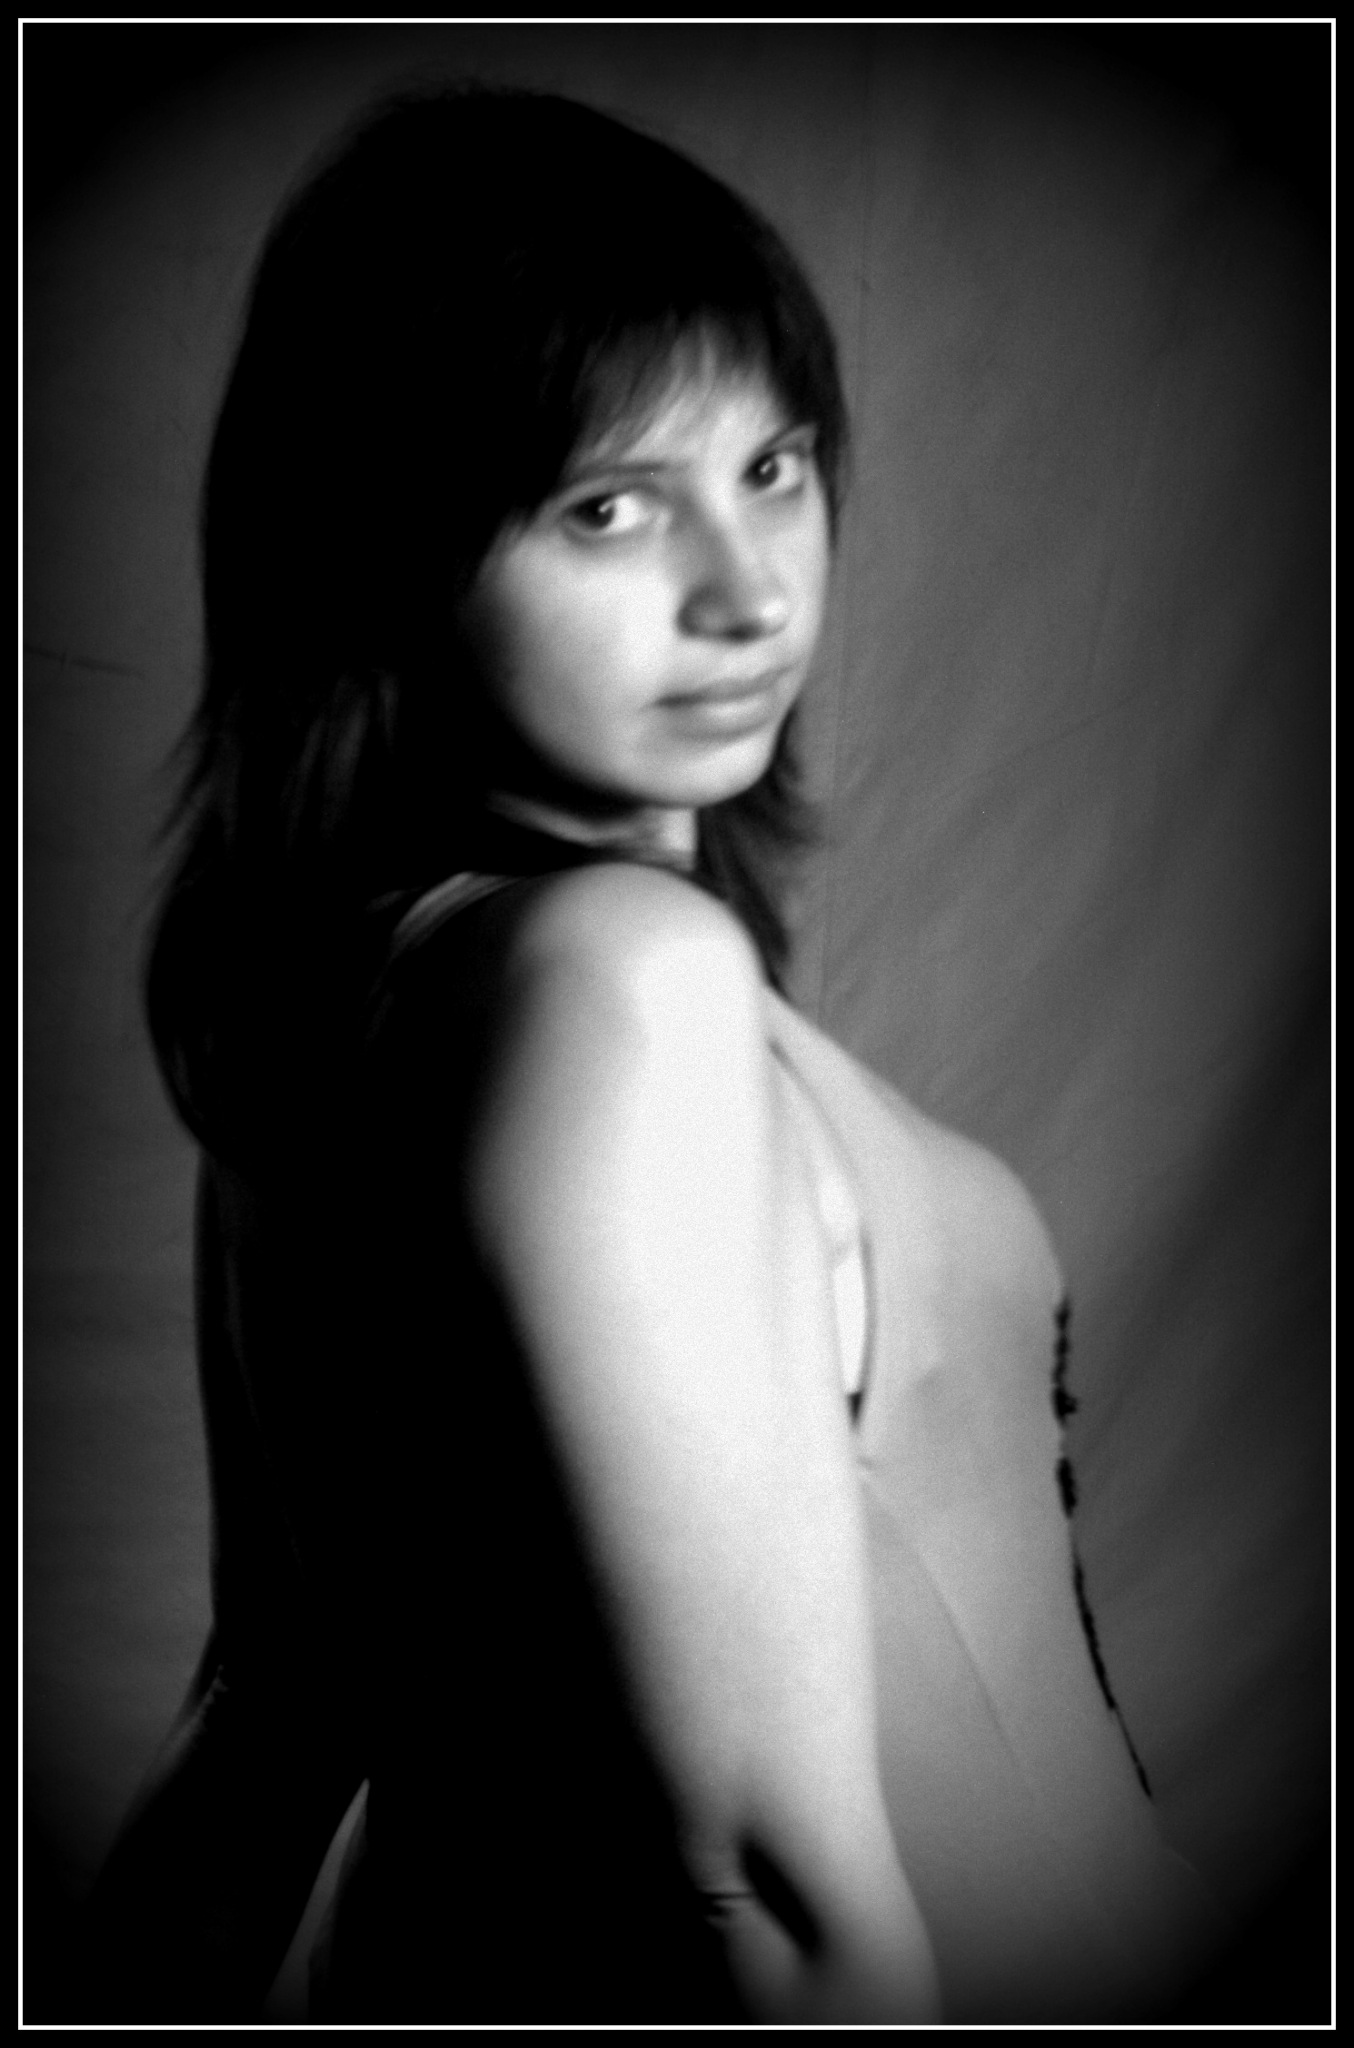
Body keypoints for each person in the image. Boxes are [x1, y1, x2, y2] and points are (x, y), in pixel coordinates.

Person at [78, 82, 1223, 2023]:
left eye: (770, 467)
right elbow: (763, 1891)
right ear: (380, 552)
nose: (748, 592)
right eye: (607, 507)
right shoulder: (623, 985)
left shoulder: (346, 1023)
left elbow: (268, 1729)